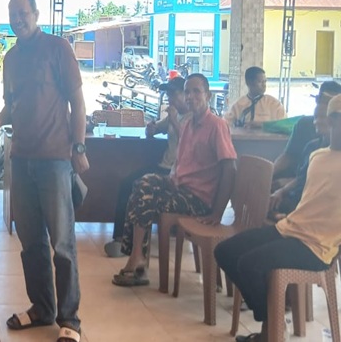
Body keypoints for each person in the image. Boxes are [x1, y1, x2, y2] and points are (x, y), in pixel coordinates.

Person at [0, 0, 87, 342]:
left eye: (23, 13)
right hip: (21, 160)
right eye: (12, 14)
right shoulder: (10, 59)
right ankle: (42, 308)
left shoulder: (58, 48)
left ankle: (70, 319)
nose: (17, 19)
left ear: (36, 14)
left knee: (62, 243)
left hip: (56, 161)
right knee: (31, 241)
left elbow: (78, 102)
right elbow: (10, 107)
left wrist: (78, 147)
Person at [215, 93, 341, 342]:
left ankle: (271, 330)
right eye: (335, 120)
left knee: (249, 264)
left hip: (317, 247)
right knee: (225, 252)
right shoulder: (317, 156)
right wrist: (290, 210)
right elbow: (310, 195)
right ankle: (274, 321)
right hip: (289, 228)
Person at [112, 73, 237, 287]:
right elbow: (181, 162)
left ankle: (137, 259)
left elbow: (230, 168)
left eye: (196, 91)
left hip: (198, 199)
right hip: (180, 187)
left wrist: (217, 212)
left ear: (208, 95)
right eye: (187, 92)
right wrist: (171, 180)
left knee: (146, 194)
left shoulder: (217, 125)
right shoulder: (188, 125)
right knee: (141, 184)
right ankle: (137, 256)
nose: (191, 96)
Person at [103, 77, 190, 258]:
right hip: (163, 166)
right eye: (168, 94)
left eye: (173, 94)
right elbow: (156, 128)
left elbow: (188, 141)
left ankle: (129, 243)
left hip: (176, 172)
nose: (170, 98)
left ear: (185, 94)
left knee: (137, 187)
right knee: (127, 183)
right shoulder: (173, 116)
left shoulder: (192, 117)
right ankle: (120, 238)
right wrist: (151, 128)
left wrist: (174, 120)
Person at [268, 84, 341, 218]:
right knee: (263, 197)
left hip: (315, 204)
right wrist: (269, 178)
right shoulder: (312, 147)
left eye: (323, 117)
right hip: (298, 192)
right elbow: (299, 173)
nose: (317, 121)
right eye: (316, 117)